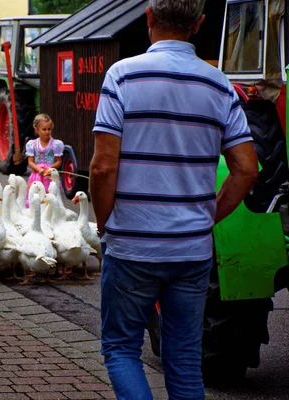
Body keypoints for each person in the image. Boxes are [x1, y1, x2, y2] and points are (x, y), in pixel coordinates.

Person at [89, 1, 259, 398]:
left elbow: (101, 167)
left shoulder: (123, 75)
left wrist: (104, 223)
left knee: (121, 348)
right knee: (183, 359)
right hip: (191, 250)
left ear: (148, 18)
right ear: (198, 24)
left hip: (132, 245)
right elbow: (247, 169)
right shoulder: (218, 83)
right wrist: (208, 217)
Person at [25, 114, 63, 207]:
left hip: (49, 175)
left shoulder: (55, 144)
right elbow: (30, 161)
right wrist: (39, 169)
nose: (47, 132)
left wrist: (50, 168)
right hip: (37, 175)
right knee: (36, 196)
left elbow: (59, 161)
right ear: (37, 129)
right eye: (44, 129)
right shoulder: (32, 144)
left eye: (49, 129)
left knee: (50, 196)